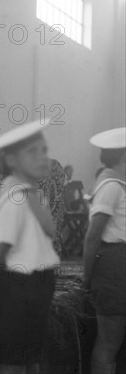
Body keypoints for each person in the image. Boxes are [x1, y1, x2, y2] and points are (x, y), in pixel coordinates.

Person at [0, 119, 59, 373]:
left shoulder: (32, 194)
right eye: (32, 152)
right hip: (17, 287)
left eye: (44, 150)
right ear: (12, 161)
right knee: (14, 358)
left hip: (38, 284)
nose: (42, 158)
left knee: (29, 353)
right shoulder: (16, 199)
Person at [82, 127, 125, 374]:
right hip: (114, 266)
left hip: (120, 264)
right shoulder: (110, 185)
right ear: (122, 156)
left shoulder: (118, 184)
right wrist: (87, 275)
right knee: (109, 342)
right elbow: (92, 236)